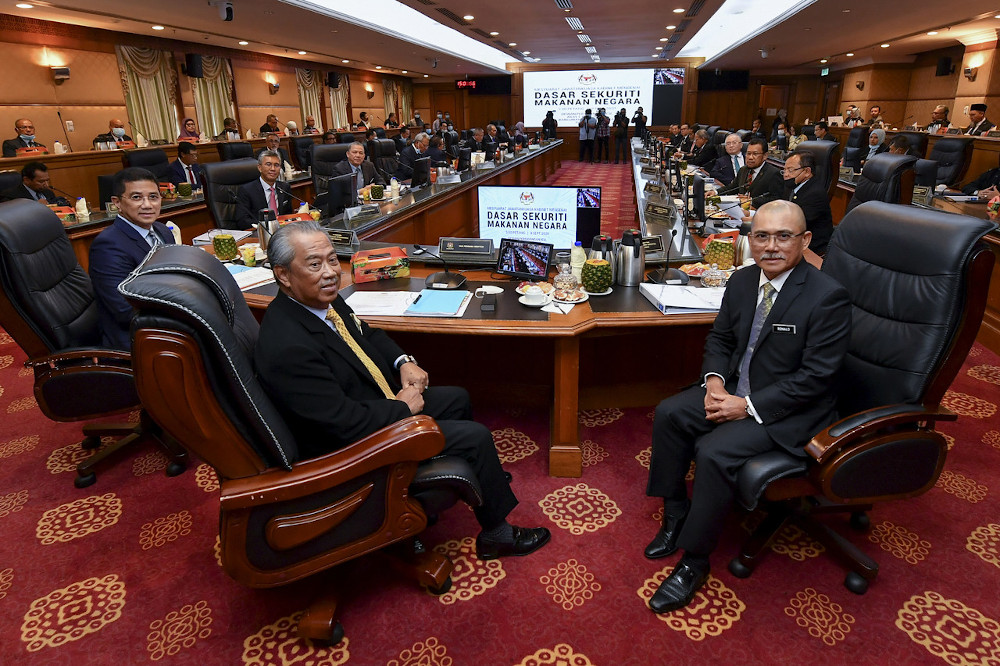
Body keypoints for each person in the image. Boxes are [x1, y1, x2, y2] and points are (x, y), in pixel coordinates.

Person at [254, 221, 551, 558]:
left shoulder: (320, 302)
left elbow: (367, 334)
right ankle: (497, 534)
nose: (330, 273)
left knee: (457, 398)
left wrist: (402, 361)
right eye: (314, 264)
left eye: (333, 260)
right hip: (347, 447)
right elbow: (340, 423)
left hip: (366, 402)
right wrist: (401, 409)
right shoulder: (287, 344)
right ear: (282, 274)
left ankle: (457, 483)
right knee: (475, 437)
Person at [643, 199, 851, 614]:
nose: (771, 246)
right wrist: (715, 382)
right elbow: (720, 340)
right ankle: (675, 512)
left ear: (805, 240)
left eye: (783, 236)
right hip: (736, 386)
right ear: (749, 239)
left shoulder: (828, 297)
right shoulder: (741, 280)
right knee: (670, 412)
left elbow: (817, 377)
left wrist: (747, 405)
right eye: (761, 236)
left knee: (713, 451)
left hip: (791, 409)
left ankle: (694, 560)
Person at [88, 168, 176, 349]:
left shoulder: (163, 231)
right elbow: (125, 311)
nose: (147, 205)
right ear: (117, 202)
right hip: (137, 338)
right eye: (136, 197)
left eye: (153, 197)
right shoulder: (108, 245)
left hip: (164, 321)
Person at [782, 150, 833, 255]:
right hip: (791, 241)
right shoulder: (792, 186)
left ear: (807, 172)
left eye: (790, 170)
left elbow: (796, 224)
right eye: (784, 170)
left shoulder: (815, 193)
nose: (786, 174)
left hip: (812, 250)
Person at [712, 139, 783, 208]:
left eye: (755, 154)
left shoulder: (773, 173)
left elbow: (776, 200)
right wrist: (715, 192)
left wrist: (751, 201)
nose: (750, 157)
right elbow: (732, 188)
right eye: (748, 153)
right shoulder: (743, 170)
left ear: (765, 156)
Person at [235, 150, 293, 230]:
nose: (273, 169)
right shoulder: (246, 190)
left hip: (283, 231)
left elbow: (289, 214)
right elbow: (243, 221)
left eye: (276, 165)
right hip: (260, 232)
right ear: (259, 168)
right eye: (268, 164)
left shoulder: (284, 187)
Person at [0, 161, 67, 205]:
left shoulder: (48, 192)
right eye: (41, 181)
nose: (46, 184)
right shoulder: (11, 196)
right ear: (26, 180)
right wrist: (35, 206)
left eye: (47, 180)